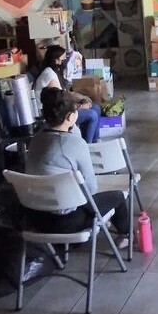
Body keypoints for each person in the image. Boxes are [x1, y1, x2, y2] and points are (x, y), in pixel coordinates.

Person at [24, 88, 129, 247]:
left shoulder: (36, 139)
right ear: (70, 116)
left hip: (36, 219)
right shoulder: (74, 143)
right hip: (68, 222)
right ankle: (126, 235)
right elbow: (91, 188)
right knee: (118, 197)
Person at [34, 45, 101, 143]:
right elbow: (60, 102)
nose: (66, 60)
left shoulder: (55, 71)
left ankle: (95, 141)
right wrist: (81, 106)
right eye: (63, 58)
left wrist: (81, 99)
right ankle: (87, 146)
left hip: (60, 107)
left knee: (96, 107)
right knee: (92, 115)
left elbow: (65, 94)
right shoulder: (49, 75)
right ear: (56, 60)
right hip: (53, 113)